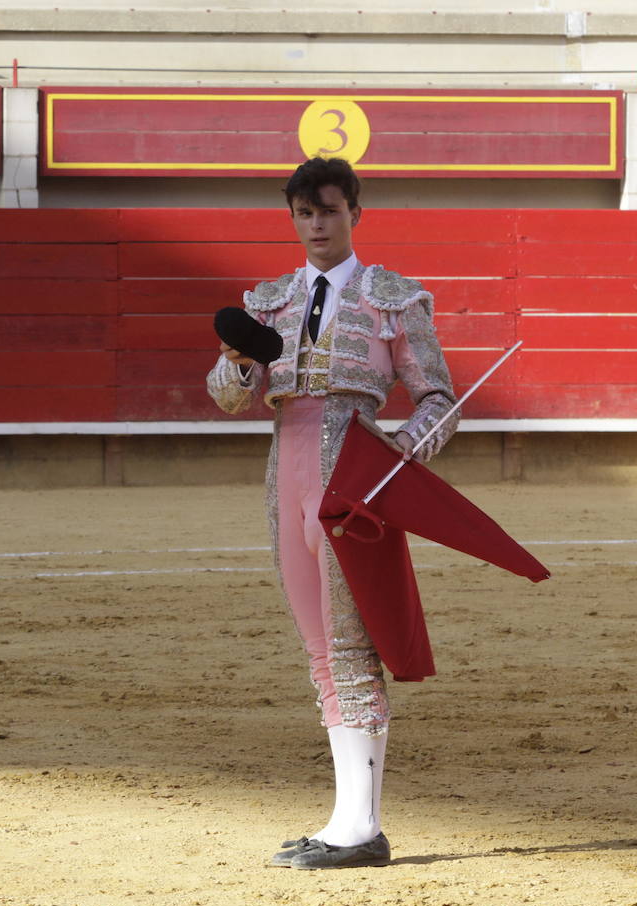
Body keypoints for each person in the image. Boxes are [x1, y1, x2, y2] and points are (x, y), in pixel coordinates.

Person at [206, 157, 459, 870]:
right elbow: (230, 397)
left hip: (355, 481)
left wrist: (403, 457)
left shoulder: (395, 298)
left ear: (355, 212)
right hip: (284, 478)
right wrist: (234, 358)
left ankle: (361, 826)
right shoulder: (269, 301)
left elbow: (438, 399)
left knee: (351, 649)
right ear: (293, 218)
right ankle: (348, 819)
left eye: (328, 210)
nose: (316, 224)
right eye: (303, 212)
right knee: (322, 653)